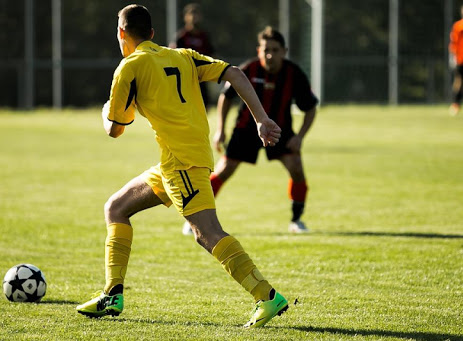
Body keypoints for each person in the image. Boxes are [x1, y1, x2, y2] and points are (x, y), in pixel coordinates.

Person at [76, 5, 288, 329]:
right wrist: (261, 118)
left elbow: (115, 128)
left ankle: (266, 295)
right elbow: (234, 72)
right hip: (174, 161)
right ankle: (112, 294)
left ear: (121, 34)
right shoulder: (183, 56)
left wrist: (107, 111)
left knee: (208, 233)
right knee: (116, 207)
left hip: (182, 164)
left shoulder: (129, 67)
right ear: (152, 34)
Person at [183, 26, 317, 235]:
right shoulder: (248, 70)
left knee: (297, 168)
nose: (270, 55)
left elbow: (310, 108)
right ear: (259, 51)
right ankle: (196, 218)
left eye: (275, 50)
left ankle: (296, 220)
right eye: (266, 50)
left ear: (284, 51)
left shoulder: (294, 74)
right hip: (246, 129)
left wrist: (300, 137)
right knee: (224, 170)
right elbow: (225, 98)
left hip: (279, 130)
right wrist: (220, 129)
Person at [170, 3, 214, 109]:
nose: (194, 17)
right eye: (191, 14)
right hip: (185, 78)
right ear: (186, 17)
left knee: (204, 105)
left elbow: (210, 54)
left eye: (196, 14)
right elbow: (173, 56)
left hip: (201, 77)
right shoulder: (181, 37)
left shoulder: (204, 36)